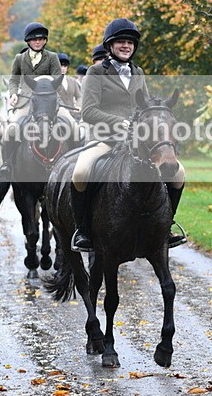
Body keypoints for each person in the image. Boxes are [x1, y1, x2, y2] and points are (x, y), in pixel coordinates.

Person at [69, 18, 187, 252]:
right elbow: (89, 111)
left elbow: (142, 106)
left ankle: (167, 224)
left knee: (179, 172)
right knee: (80, 173)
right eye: (121, 42)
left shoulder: (138, 72)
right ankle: (82, 229)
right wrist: (119, 122)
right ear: (110, 46)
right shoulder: (95, 72)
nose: (126, 46)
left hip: (135, 142)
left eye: (130, 42)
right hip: (104, 137)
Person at [0, 22, 77, 180]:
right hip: (27, 100)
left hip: (49, 99)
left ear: (45, 40)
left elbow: (57, 80)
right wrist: (13, 93)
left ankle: (73, 162)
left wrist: (45, 85)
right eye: (34, 39)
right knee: (11, 130)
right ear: (28, 41)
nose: (38, 42)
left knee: (73, 125)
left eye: (41, 39)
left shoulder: (52, 57)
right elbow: (14, 80)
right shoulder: (20, 58)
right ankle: (7, 163)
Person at [57, 53, 83, 120]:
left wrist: (78, 106)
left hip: (74, 116)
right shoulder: (51, 81)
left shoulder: (72, 81)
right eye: (61, 65)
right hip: (59, 117)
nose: (63, 68)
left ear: (67, 67)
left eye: (65, 66)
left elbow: (79, 96)